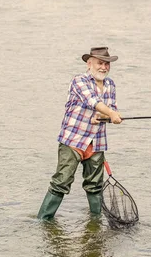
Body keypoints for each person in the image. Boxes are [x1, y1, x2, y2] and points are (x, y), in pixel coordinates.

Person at [37, 47, 122, 220]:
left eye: (107, 64)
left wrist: (105, 116)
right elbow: (93, 101)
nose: (104, 67)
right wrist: (110, 114)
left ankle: (95, 221)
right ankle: (43, 221)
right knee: (61, 183)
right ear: (89, 63)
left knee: (95, 186)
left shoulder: (110, 84)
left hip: (97, 142)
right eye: (100, 63)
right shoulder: (79, 81)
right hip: (73, 141)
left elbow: (110, 109)